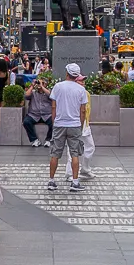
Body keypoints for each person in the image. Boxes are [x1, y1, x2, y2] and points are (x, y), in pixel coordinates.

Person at [47, 61, 88, 190]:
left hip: (59, 123)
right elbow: (83, 110)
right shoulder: (81, 89)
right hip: (75, 124)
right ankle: (75, 182)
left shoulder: (58, 87)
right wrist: (80, 125)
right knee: (75, 154)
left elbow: (53, 107)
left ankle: (51, 181)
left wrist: (55, 122)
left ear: (67, 73)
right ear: (77, 76)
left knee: (55, 153)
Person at [22, 74, 54, 144]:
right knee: (26, 122)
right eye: (39, 82)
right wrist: (32, 86)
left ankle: (48, 139)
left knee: (54, 122)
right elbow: (26, 95)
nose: (40, 84)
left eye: (43, 83)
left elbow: (51, 96)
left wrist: (42, 86)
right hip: (34, 115)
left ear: (46, 84)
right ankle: (34, 139)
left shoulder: (48, 92)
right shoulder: (33, 93)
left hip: (47, 115)